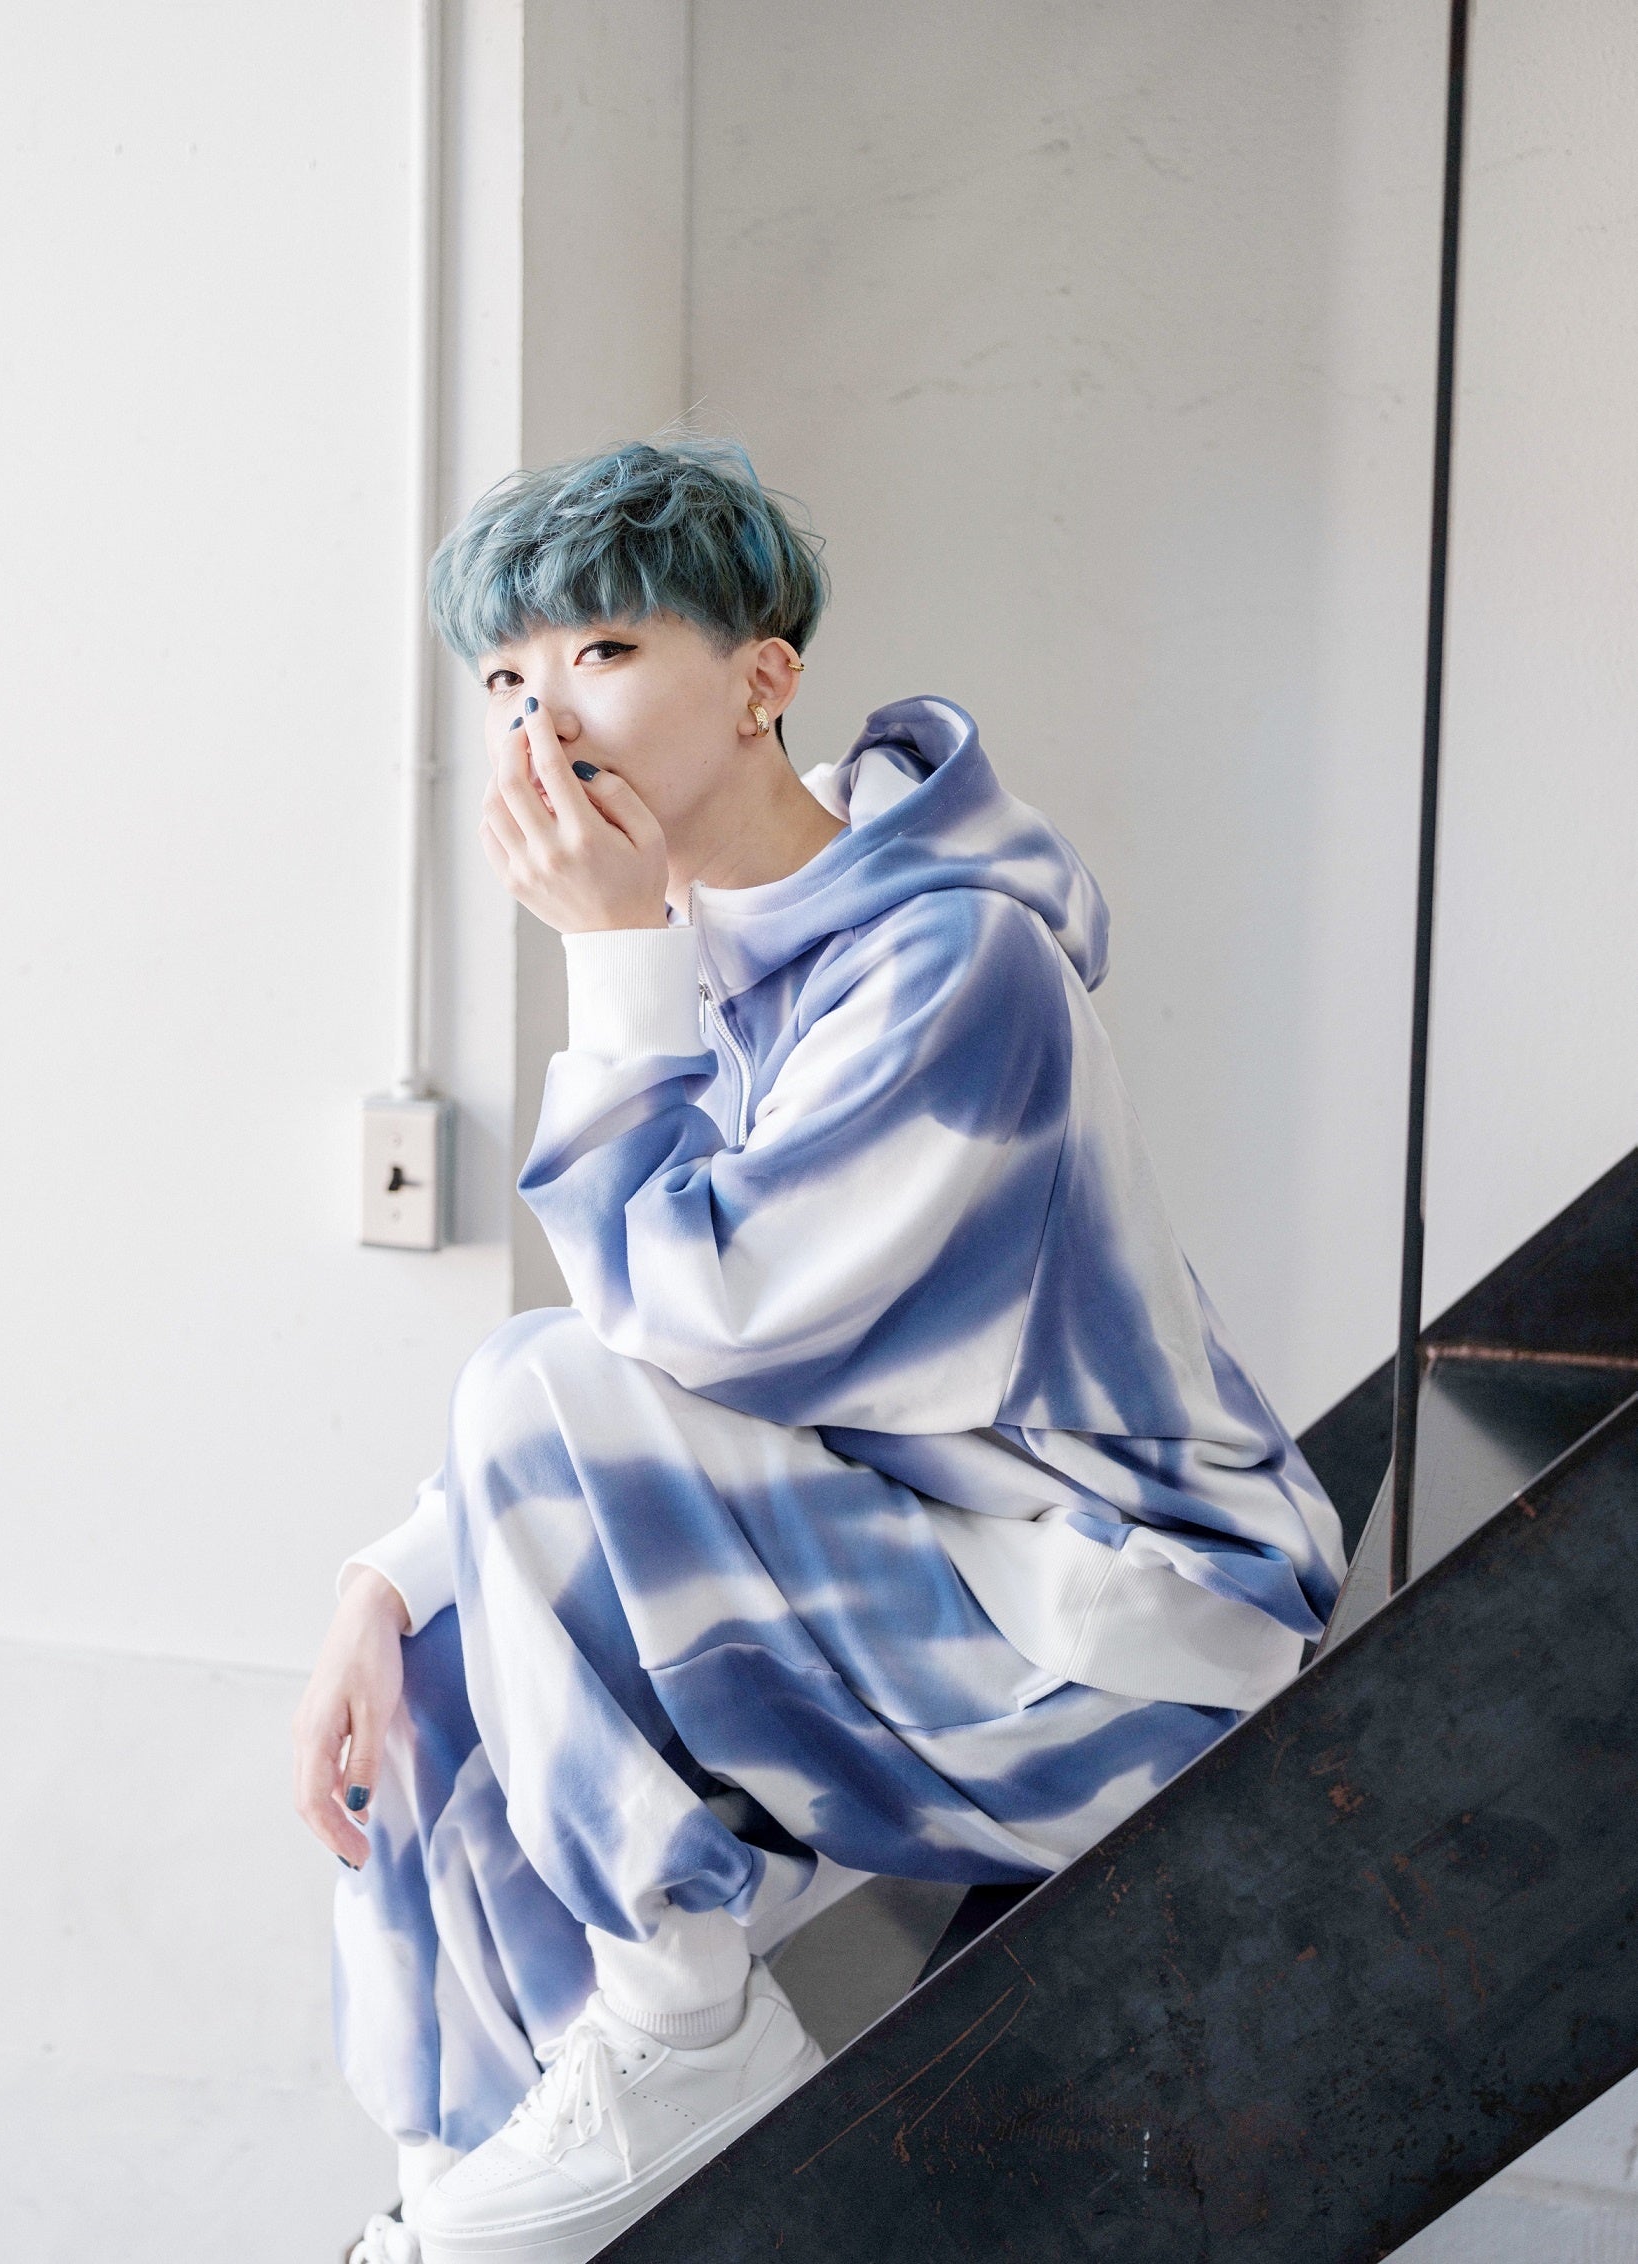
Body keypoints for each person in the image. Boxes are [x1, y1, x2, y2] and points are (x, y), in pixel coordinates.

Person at [292, 438, 1347, 2264]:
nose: (546, 718)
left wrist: (612, 961)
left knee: (527, 1391)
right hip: (943, 1590)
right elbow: (649, 1374)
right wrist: (383, 1584)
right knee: (437, 1677)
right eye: (505, 677)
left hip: (1129, 1646)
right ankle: (478, 2173)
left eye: (601, 652)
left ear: (761, 679)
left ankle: (675, 2037)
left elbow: (701, 1331)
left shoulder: (955, 964)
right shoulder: (709, 953)